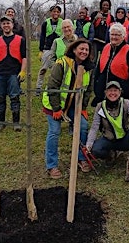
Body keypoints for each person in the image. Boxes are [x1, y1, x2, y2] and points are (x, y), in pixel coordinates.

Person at [41, 39, 95, 178]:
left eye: (86, 50)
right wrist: (57, 109)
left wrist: (83, 108)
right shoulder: (62, 63)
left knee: (82, 126)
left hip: (73, 105)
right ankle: (51, 165)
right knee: (54, 131)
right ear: (74, 49)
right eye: (81, 49)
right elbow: (53, 87)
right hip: (55, 104)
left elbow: (88, 90)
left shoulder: (89, 68)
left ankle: (81, 158)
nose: (84, 52)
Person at [86, 81, 129, 182]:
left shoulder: (126, 103)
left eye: (115, 91)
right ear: (105, 92)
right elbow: (94, 127)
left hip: (125, 139)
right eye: (110, 91)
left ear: (120, 92)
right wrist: (89, 144)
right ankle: (111, 155)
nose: (112, 93)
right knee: (95, 150)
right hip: (108, 140)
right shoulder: (100, 106)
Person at [0, 16, 27, 132]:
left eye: (8, 23)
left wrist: (23, 71)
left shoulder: (20, 40)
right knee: (0, 99)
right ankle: (1, 122)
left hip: (14, 73)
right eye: (4, 24)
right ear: (1, 26)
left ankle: (16, 123)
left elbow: (24, 57)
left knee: (14, 98)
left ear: (12, 25)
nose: (6, 25)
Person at [92, 23, 129, 106]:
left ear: (123, 36)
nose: (114, 37)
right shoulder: (106, 47)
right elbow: (99, 69)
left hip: (121, 95)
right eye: (112, 34)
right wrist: (96, 87)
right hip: (103, 94)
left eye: (117, 35)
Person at [36, 5, 63, 92]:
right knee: (43, 69)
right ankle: (38, 88)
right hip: (47, 49)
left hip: (58, 50)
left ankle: (55, 87)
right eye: (54, 11)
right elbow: (42, 37)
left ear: (60, 13)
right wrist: (41, 50)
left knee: (56, 70)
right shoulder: (46, 23)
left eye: (57, 12)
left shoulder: (62, 23)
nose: (56, 13)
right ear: (51, 13)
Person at [90, 0, 114, 64]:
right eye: (104, 5)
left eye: (107, 5)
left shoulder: (111, 17)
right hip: (95, 41)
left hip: (105, 42)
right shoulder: (95, 14)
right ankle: (92, 74)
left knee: (104, 60)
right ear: (101, 5)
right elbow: (89, 25)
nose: (105, 7)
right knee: (93, 60)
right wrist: (96, 18)